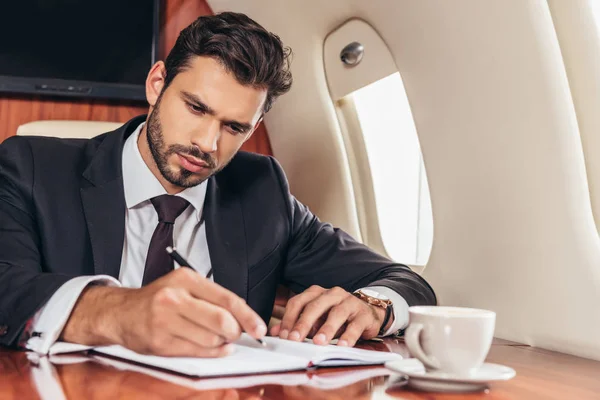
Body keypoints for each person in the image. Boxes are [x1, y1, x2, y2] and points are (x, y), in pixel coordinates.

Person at [0, 12, 436, 357]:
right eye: (195, 108)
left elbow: (402, 280)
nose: (206, 143)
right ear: (157, 85)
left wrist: (373, 307)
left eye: (234, 127)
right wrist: (119, 312)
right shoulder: (30, 167)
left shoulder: (262, 191)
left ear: (255, 126)